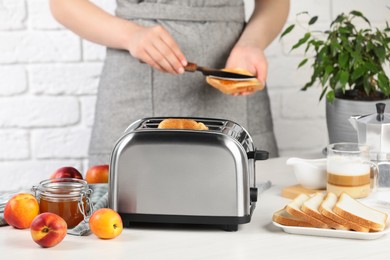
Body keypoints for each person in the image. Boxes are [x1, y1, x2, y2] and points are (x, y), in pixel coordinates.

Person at [49, 0, 290, 165]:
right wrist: (131, 35)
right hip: (135, 81)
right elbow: (62, 4)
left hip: (236, 78)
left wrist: (252, 43)